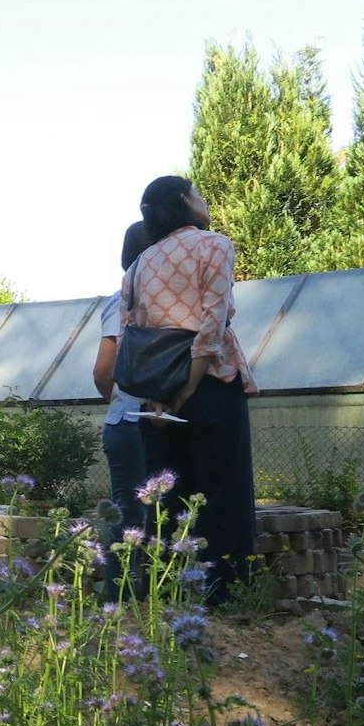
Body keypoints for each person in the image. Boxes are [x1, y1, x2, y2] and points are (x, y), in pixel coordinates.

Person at [129, 176, 259, 606]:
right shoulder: (213, 244)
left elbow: (133, 328)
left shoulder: (140, 262)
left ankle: (163, 596)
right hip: (209, 383)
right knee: (224, 493)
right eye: (199, 193)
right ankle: (225, 597)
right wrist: (190, 383)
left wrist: (163, 388)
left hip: (154, 392)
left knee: (164, 499)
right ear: (185, 201)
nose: (205, 201)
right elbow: (213, 318)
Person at [92, 222, 153, 598]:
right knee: (140, 516)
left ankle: (122, 598)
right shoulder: (130, 301)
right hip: (139, 422)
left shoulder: (120, 299)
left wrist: (116, 399)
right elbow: (104, 370)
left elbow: (103, 375)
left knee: (128, 514)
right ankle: (125, 598)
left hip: (123, 421)